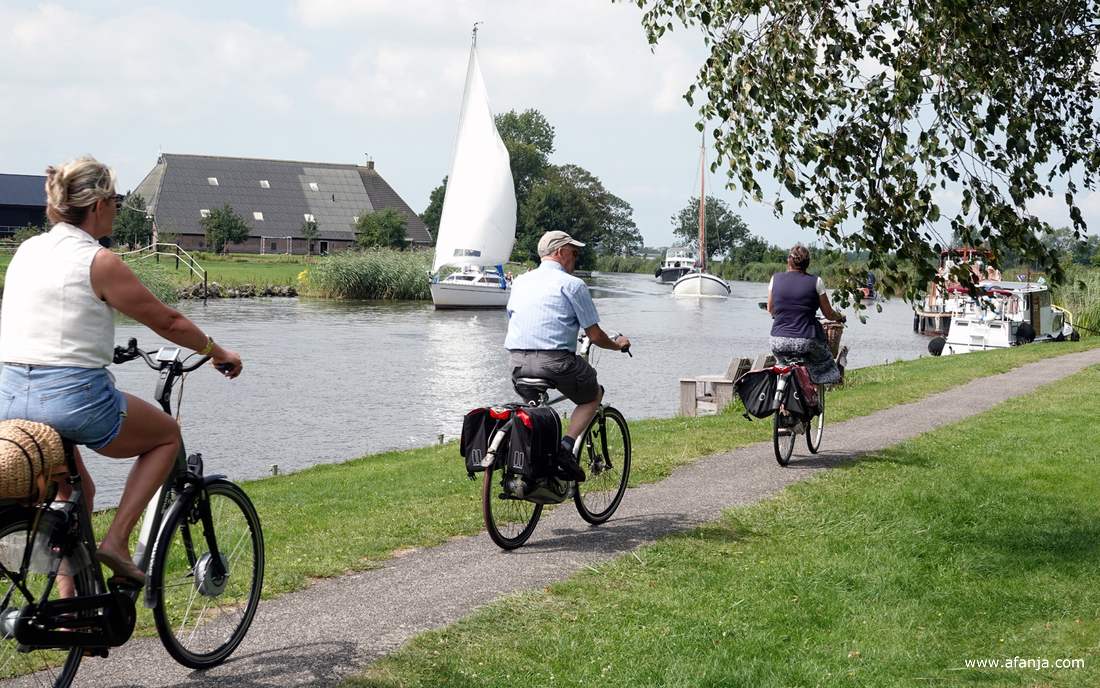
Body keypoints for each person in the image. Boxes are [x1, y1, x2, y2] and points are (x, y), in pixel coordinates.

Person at [0, 156, 243, 586]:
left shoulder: (27, 251)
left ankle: (71, 608)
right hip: (72, 399)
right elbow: (167, 321)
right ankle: (117, 541)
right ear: (96, 205)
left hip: (11, 397)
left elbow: (49, 319)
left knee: (75, 493)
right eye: (116, 199)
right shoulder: (98, 261)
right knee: (167, 434)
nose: (118, 206)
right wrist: (217, 350)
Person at [504, 230, 630, 481]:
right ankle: (565, 449)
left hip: (517, 362)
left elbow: (514, 317)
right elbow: (594, 335)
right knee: (593, 394)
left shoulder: (520, 281)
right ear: (560, 252)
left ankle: (536, 468)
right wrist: (617, 345)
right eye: (574, 252)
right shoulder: (572, 284)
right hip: (555, 362)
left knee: (535, 411)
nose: (576, 258)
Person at [766, 244, 845, 384]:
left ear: (788, 261)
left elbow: (770, 309)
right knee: (825, 361)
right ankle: (818, 390)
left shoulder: (775, 279)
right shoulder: (816, 281)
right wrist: (840, 316)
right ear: (807, 263)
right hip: (805, 341)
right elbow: (828, 314)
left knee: (782, 364)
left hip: (777, 341)